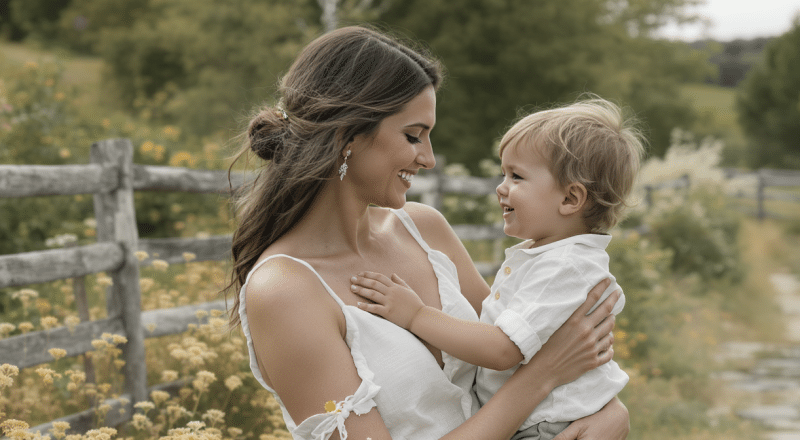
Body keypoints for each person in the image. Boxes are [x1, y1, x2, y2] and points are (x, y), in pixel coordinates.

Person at [226, 26, 629, 440]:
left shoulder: (425, 229)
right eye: (413, 135)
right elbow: (540, 367)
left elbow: (518, 341)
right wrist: (542, 378)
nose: (429, 158)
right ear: (347, 135)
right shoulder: (284, 290)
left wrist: (610, 411)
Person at [353, 98, 645, 440]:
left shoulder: (564, 267)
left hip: (547, 428)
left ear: (570, 199)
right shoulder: (548, 257)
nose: (501, 187)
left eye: (517, 176)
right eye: (503, 173)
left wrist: (415, 315)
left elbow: (502, 350)